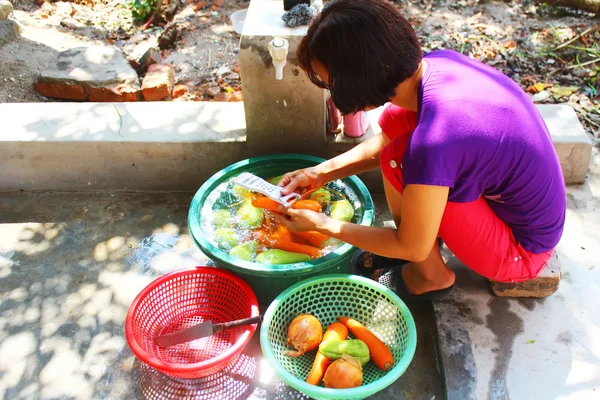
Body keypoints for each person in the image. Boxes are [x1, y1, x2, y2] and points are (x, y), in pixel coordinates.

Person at [274, 0, 566, 302]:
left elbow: (410, 245)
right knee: (398, 137)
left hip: (520, 253)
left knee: (402, 162)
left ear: (357, 81)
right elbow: (386, 141)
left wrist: (326, 225)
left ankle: (430, 276)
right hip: (516, 213)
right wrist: (319, 173)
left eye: (331, 84)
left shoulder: (434, 141)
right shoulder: (437, 66)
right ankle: (430, 248)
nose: (333, 94)